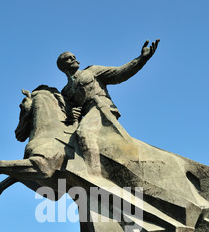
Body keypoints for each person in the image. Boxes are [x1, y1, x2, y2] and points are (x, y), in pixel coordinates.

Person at [57, 40, 160, 174]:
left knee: (84, 134)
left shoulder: (92, 71)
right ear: (62, 66)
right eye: (68, 58)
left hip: (101, 107)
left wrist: (141, 59)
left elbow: (119, 73)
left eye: (73, 57)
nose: (73, 58)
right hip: (88, 115)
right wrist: (72, 115)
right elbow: (69, 114)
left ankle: (93, 176)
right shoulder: (65, 91)